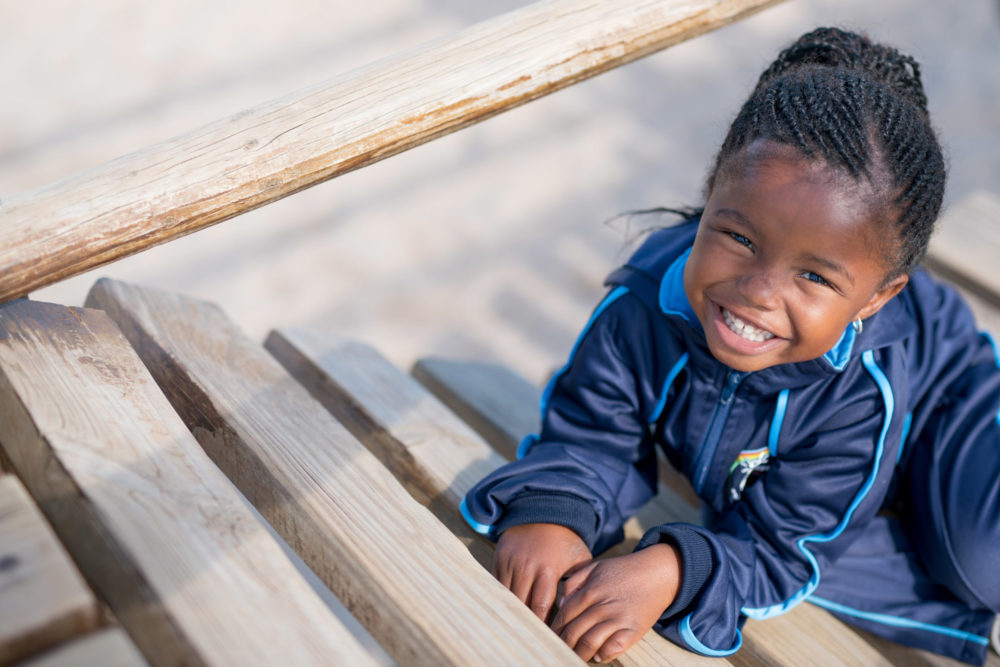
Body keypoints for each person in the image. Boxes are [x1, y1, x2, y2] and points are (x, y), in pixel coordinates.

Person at [460, 27, 1000, 665]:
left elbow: (780, 553)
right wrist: (552, 510)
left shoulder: (858, 390)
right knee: (763, 525)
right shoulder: (644, 305)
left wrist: (671, 569)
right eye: (739, 237)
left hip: (954, 409)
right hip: (836, 473)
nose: (758, 292)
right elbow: (592, 432)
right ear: (710, 193)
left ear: (876, 300)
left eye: (815, 276)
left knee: (978, 562)